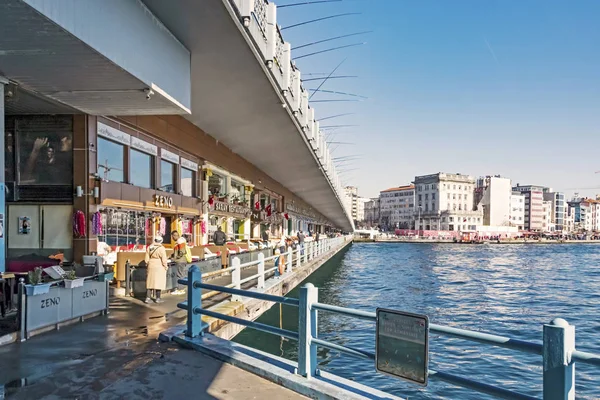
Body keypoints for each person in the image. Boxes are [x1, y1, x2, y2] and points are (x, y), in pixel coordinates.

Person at [144, 236, 169, 304]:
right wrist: (165, 266)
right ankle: (158, 298)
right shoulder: (161, 248)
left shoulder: (150, 247)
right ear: (161, 241)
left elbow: (146, 259)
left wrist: (148, 264)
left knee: (150, 282)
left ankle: (147, 298)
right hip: (159, 265)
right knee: (159, 282)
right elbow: (164, 259)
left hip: (151, 265)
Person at [170, 231, 188, 296]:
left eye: (172, 237)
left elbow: (181, 252)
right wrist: (172, 256)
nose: (172, 238)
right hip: (181, 260)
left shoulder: (180, 242)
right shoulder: (180, 242)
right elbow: (178, 251)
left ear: (174, 236)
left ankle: (180, 289)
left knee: (179, 275)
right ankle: (180, 288)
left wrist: (176, 258)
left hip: (180, 261)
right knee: (180, 274)